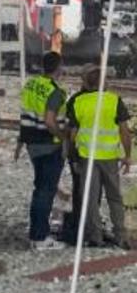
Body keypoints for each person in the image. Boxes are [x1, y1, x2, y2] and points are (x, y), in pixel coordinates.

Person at [64, 65, 133, 250]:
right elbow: (125, 131)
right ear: (104, 82)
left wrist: (72, 157)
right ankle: (121, 236)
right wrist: (127, 156)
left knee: (90, 198)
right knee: (115, 197)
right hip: (110, 157)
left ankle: (95, 237)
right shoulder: (114, 100)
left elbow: (71, 134)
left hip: (87, 157)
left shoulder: (78, 102)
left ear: (86, 82)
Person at [17, 51, 68, 250]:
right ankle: (40, 237)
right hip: (48, 145)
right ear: (59, 67)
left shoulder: (31, 84)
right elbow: (49, 121)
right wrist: (63, 138)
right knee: (45, 191)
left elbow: (26, 113)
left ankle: (36, 231)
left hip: (32, 143)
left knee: (40, 188)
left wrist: (20, 142)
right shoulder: (55, 92)